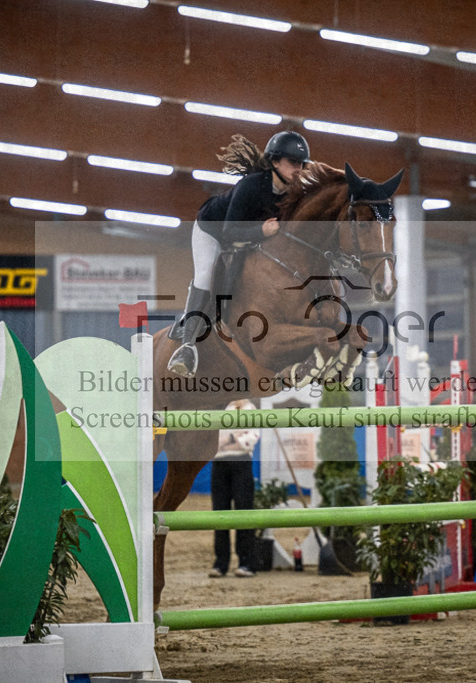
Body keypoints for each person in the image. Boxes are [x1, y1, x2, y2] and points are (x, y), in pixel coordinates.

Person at [167, 131, 311, 377]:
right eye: (292, 163)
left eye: (301, 164)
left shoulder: (293, 193)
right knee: (206, 274)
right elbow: (229, 231)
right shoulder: (252, 185)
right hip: (213, 230)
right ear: (275, 162)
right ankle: (187, 347)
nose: (298, 169)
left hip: (247, 240)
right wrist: (262, 230)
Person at [209, 399, 261, 578]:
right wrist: (234, 437)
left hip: (241, 463)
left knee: (244, 512)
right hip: (219, 464)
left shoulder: (250, 408)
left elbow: (251, 438)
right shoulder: (219, 406)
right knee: (219, 513)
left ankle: (246, 562)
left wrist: (228, 439)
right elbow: (213, 439)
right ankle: (220, 563)